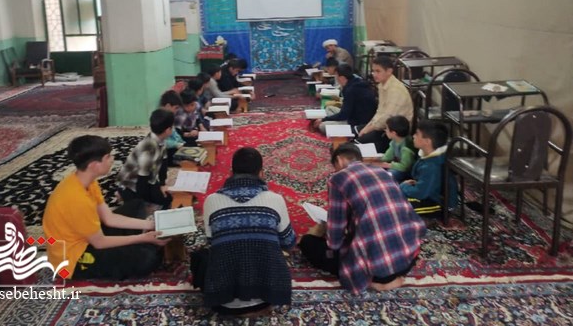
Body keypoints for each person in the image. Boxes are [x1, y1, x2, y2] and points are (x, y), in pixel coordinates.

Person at [298, 143, 426, 294]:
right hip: (409, 255)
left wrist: (320, 232)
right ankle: (389, 276)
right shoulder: (382, 172)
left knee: (308, 243)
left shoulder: (338, 179)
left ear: (339, 160)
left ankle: (378, 280)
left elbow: (335, 240)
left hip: (379, 266)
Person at [43, 135, 170, 280]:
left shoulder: (86, 181)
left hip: (89, 235)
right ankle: (134, 244)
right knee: (148, 258)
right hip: (75, 257)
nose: (112, 160)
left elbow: (109, 218)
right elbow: (99, 242)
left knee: (136, 205)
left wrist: (151, 225)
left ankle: (132, 242)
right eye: (108, 157)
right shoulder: (77, 199)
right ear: (94, 165)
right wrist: (143, 238)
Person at [198, 147, 296, 316]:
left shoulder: (211, 201)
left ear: (231, 172)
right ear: (261, 173)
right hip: (268, 297)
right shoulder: (275, 200)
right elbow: (289, 242)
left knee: (200, 256)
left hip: (223, 300)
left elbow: (210, 241)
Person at [117, 108, 174, 208]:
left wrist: (162, 184)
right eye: (172, 127)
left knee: (167, 199)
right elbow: (142, 179)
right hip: (131, 183)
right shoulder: (148, 149)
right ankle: (122, 194)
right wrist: (142, 204)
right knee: (143, 209)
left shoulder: (161, 140)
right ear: (167, 130)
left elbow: (164, 163)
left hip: (148, 178)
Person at [356, 56, 413, 152]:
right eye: (373, 71)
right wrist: (368, 127)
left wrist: (368, 129)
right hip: (384, 127)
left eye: (378, 71)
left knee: (358, 144)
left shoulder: (396, 90)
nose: (374, 74)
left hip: (395, 133)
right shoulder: (382, 85)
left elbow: (387, 117)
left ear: (389, 71)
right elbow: (380, 112)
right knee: (356, 131)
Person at [400, 120, 457, 216]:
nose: (413, 136)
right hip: (429, 192)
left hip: (438, 203)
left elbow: (421, 193)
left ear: (427, 141)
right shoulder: (429, 155)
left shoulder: (432, 166)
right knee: (396, 196)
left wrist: (403, 187)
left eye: (417, 134)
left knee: (398, 206)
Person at [313, 63, 376, 134]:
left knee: (322, 126)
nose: (336, 79)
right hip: (354, 115)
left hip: (356, 122)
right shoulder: (356, 82)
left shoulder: (351, 90)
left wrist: (323, 120)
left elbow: (344, 115)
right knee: (329, 108)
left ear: (342, 77)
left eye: (336, 76)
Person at [372, 115, 416, 183]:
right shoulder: (394, 141)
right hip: (397, 165)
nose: (385, 130)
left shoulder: (407, 147)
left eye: (386, 129)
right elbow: (387, 157)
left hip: (406, 171)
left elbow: (404, 167)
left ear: (393, 133)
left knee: (390, 174)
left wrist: (386, 165)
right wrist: (375, 160)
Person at [159, 90, 186, 169]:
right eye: (176, 108)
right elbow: (161, 142)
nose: (176, 111)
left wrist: (181, 142)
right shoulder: (160, 119)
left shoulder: (169, 116)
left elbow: (174, 133)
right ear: (168, 106)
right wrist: (176, 144)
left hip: (173, 145)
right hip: (166, 150)